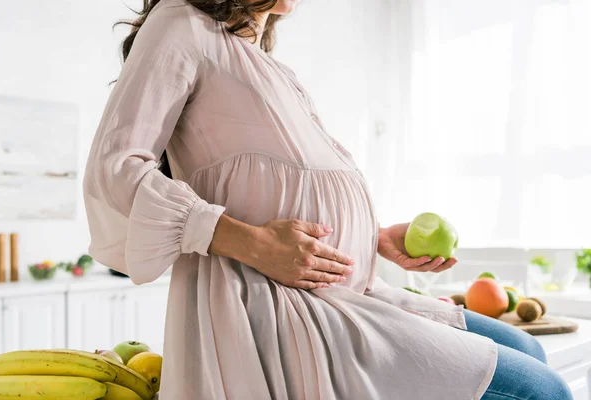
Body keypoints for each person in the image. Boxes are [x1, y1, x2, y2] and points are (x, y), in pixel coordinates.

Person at [83, 0, 573, 398]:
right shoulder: (180, 23)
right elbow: (115, 167)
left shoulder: (269, 67)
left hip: (351, 292)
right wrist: (249, 242)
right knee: (543, 391)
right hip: (284, 308)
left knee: (527, 350)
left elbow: (282, 192)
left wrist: (371, 237)